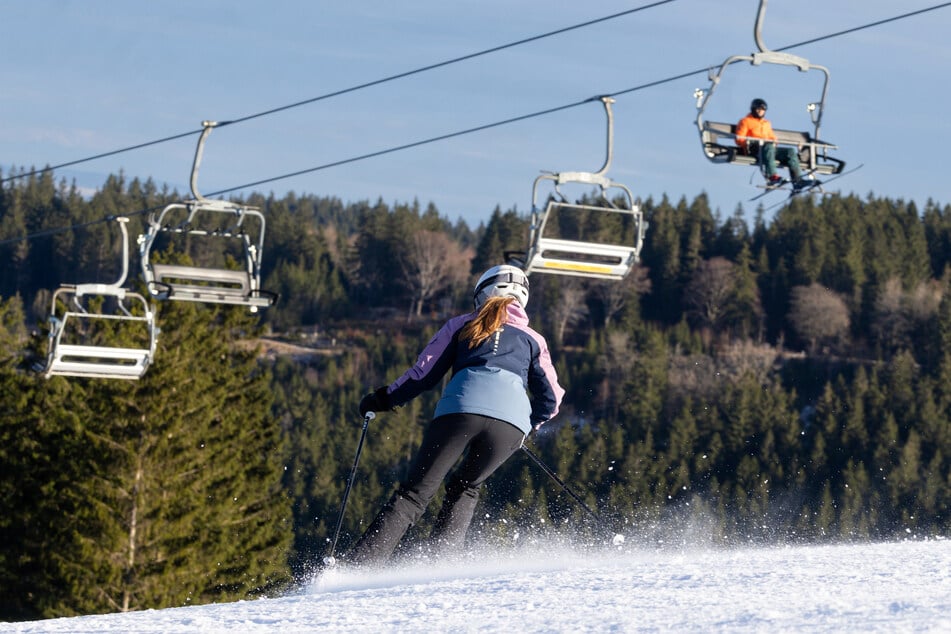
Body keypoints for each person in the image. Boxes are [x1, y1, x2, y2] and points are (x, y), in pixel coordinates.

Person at [347, 264, 565, 566]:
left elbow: (422, 376)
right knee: (466, 488)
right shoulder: (534, 340)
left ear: (481, 293)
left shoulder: (461, 325)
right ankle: (442, 567)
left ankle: (360, 567)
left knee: (414, 495)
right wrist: (529, 426)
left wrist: (382, 400)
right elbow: (552, 399)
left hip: (460, 411)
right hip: (510, 426)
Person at [736, 98, 815, 190]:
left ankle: (797, 180)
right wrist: (749, 142)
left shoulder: (766, 123)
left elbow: (772, 137)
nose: (760, 112)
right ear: (753, 109)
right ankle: (772, 176)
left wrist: (774, 142)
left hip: (768, 149)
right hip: (754, 149)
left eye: (763, 110)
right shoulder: (745, 121)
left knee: (790, 152)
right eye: (758, 109)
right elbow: (739, 139)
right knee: (768, 147)